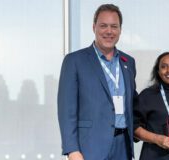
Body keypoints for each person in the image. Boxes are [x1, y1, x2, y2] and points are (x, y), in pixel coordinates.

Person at [58, 4, 136, 160]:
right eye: (103, 26)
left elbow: (133, 101)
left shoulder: (128, 62)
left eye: (114, 26)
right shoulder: (74, 61)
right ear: (94, 27)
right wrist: (72, 150)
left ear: (120, 30)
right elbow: (66, 111)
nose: (109, 31)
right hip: (90, 148)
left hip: (123, 147)